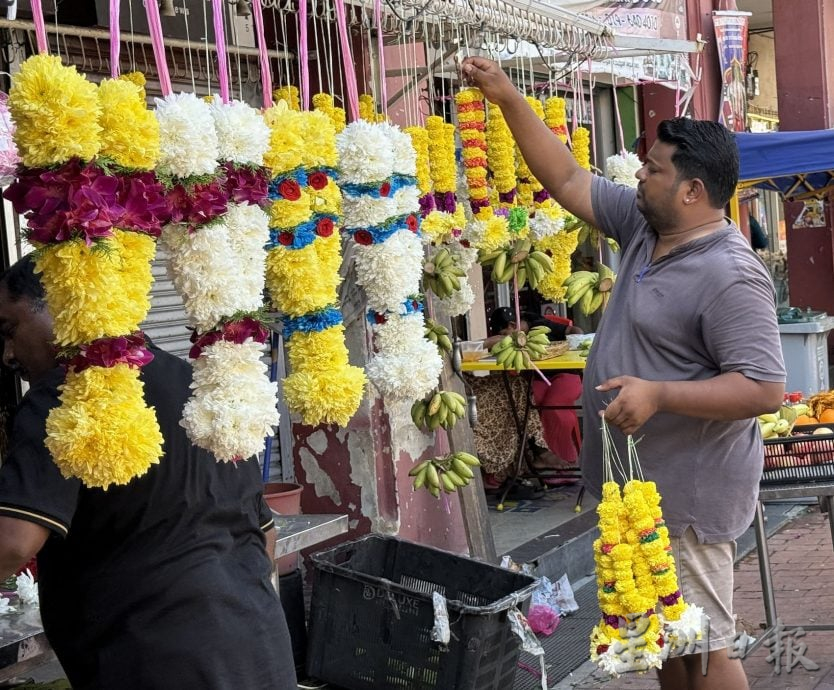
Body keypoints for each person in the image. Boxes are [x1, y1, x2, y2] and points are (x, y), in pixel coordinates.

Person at [462, 57, 785, 690]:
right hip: (637, 491)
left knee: (706, 646)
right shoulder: (644, 224)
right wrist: (507, 99)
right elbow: (567, 178)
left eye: (654, 168)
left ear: (692, 190)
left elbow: (763, 387)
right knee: (668, 643)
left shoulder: (730, 274)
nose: (639, 173)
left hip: (687, 498)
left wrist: (659, 393)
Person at [0, 255, 297, 689]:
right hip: (258, 651)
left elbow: (13, 543)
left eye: (10, 330)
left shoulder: (64, 397)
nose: (8, 354)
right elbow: (263, 538)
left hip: (157, 665)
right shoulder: (201, 387)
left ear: (65, 306)